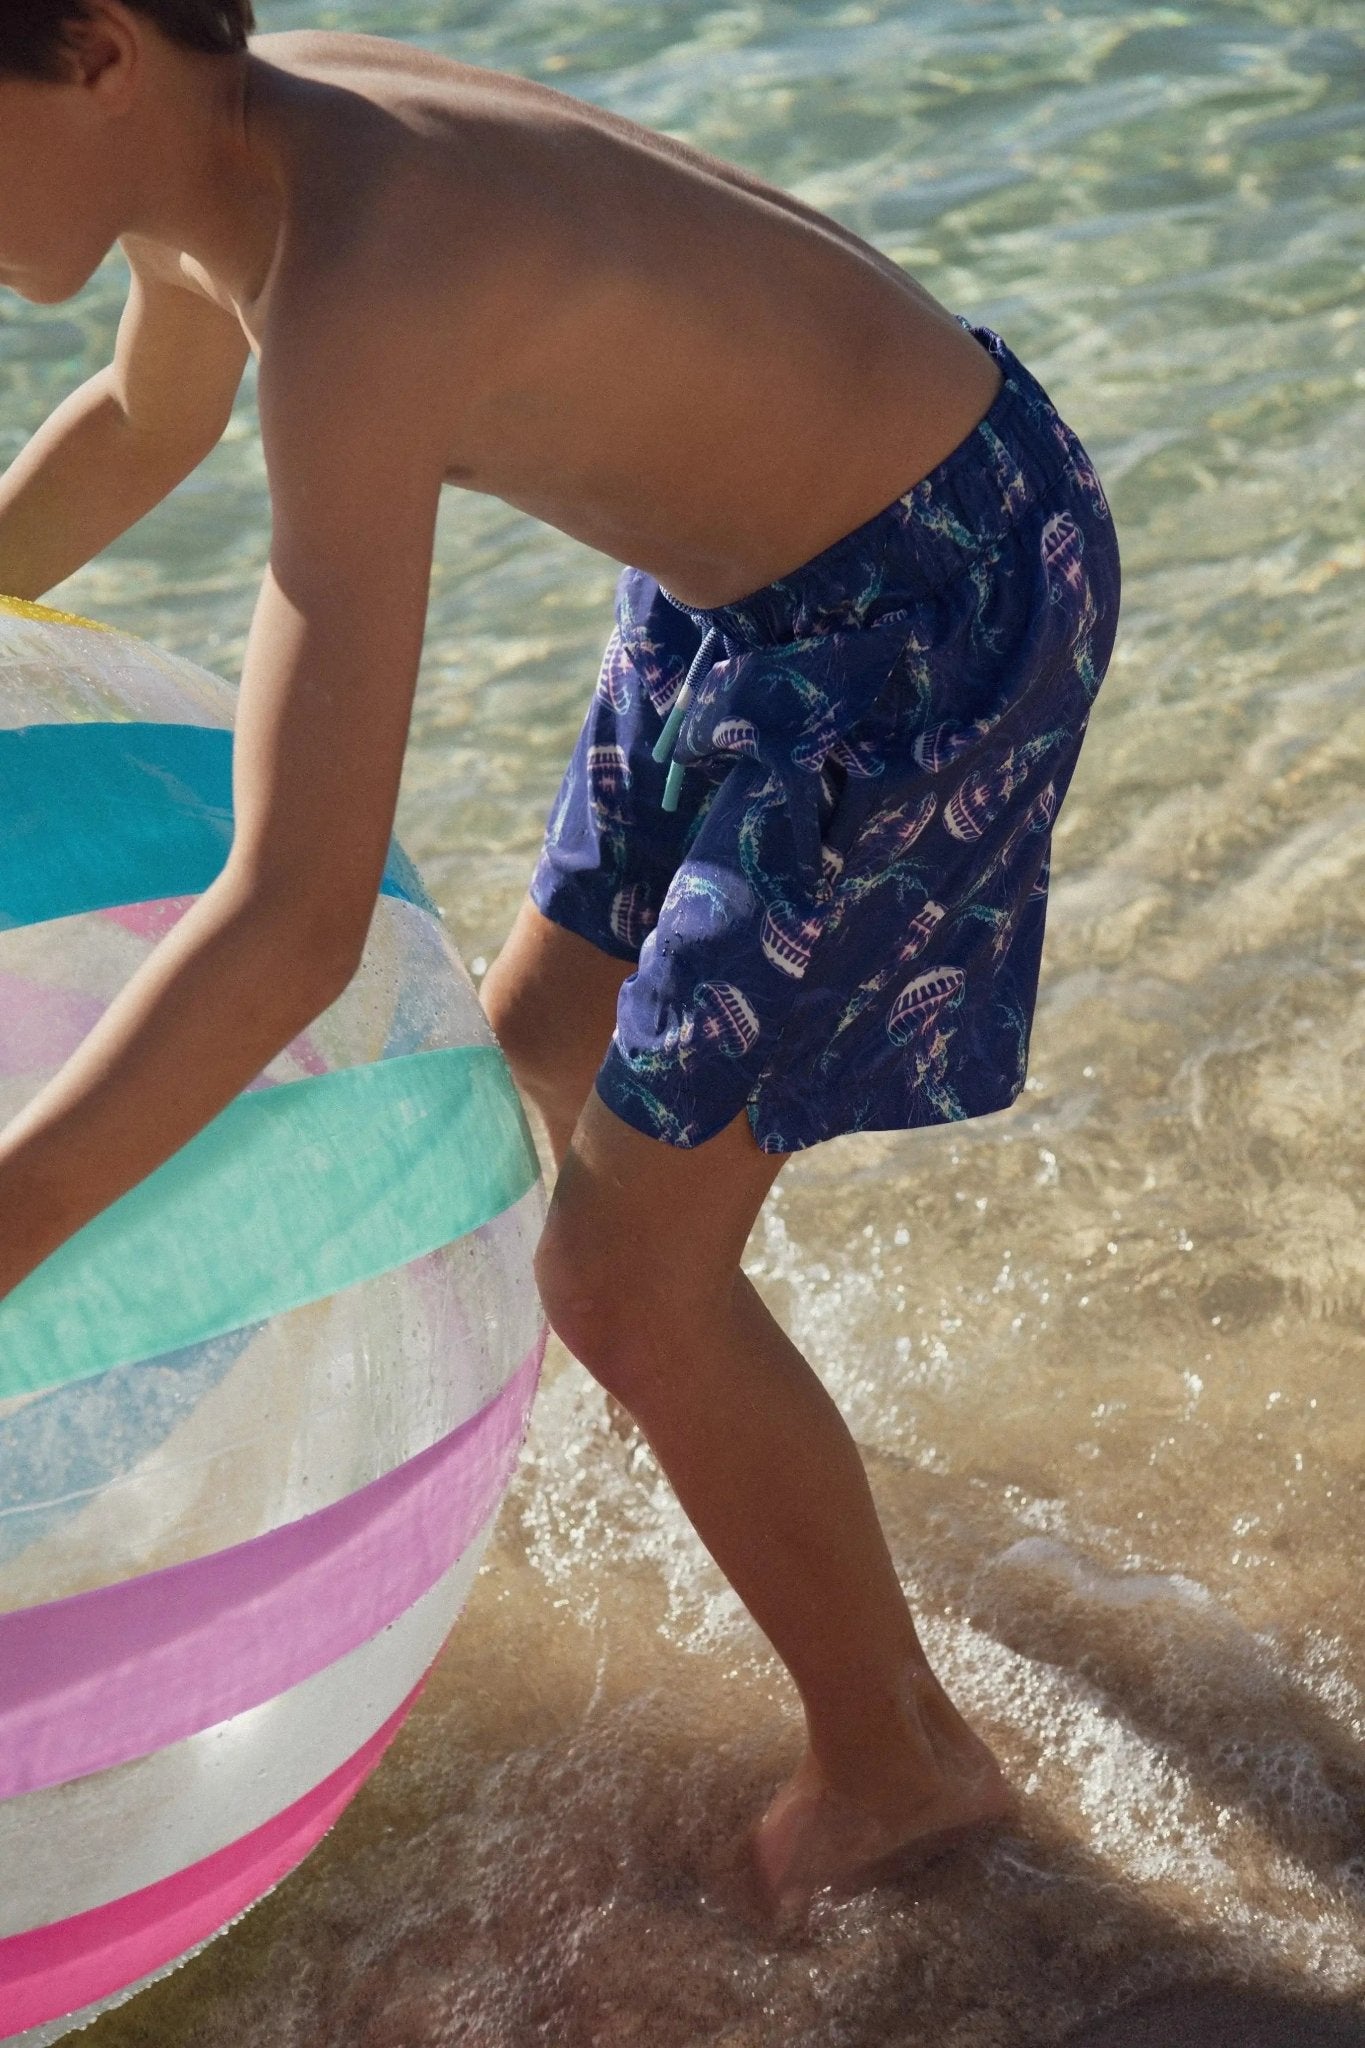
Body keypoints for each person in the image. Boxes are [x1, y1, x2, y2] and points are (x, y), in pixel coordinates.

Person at [0, 0, 1121, 1928]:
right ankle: (688, 1429)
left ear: (99, 51)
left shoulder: (366, 284)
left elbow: (291, 921)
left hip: (927, 613)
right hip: (759, 575)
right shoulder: (223, 168)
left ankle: (901, 1769)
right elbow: (144, 423)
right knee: (524, 1060)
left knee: (619, 1275)